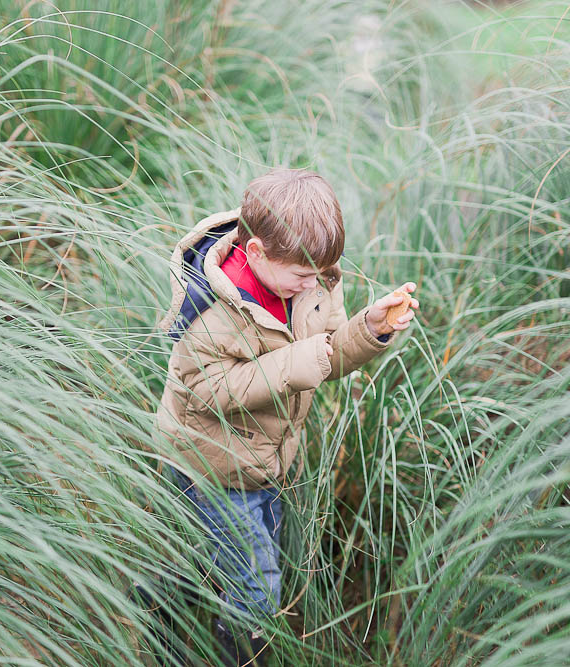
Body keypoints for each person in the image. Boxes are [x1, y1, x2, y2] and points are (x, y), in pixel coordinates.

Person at [148, 168, 419, 666]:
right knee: (254, 590)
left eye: (320, 274)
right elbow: (207, 390)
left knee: (211, 559)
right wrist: (301, 361)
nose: (313, 284)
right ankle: (183, 635)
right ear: (256, 254)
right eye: (301, 275)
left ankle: (160, 604)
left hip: (267, 460)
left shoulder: (312, 280)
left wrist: (372, 328)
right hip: (209, 465)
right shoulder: (209, 308)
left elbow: (329, 354)